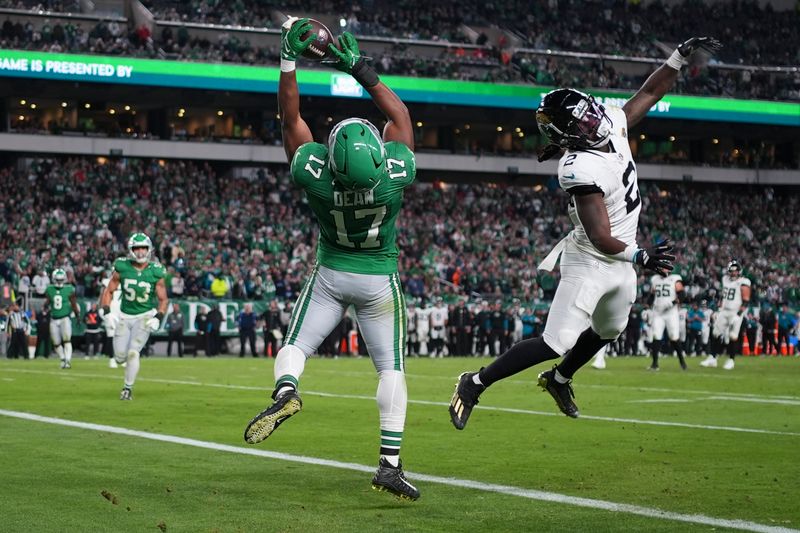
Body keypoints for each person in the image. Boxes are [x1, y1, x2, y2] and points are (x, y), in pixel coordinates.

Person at [448, 36, 720, 428]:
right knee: (555, 341)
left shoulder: (608, 124)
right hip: (592, 258)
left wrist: (677, 57)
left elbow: (650, 90)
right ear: (569, 138)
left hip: (621, 257)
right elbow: (598, 236)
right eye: (583, 124)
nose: (595, 123)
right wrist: (640, 255)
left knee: (610, 327)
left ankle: (559, 379)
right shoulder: (578, 169)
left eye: (589, 115)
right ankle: (474, 382)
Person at [244, 20, 419, 501]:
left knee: (296, 347)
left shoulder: (315, 174)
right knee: (391, 371)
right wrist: (359, 68)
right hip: (380, 279)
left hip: (331, 274)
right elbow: (400, 115)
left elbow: (289, 119)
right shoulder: (395, 175)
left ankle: (284, 391)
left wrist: (287, 60)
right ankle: (389, 464)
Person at [99, 232, 168, 400]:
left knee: (133, 353)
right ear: (131, 250)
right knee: (120, 357)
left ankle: (127, 388)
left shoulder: (156, 271)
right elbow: (109, 291)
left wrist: (158, 317)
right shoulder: (122, 266)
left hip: (144, 316)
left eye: (144, 248)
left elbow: (163, 299)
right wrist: (107, 312)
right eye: (137, 248)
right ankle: (124, 373)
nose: (140, 252)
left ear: (149, 250)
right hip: (124, 316)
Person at [701, 260, 751, 369]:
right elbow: (723, 296)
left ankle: (731, 360)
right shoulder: (725, 280)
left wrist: (738, 315)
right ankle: (713, 358)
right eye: (731, 271)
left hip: (735, 312)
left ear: (739, 271)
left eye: (735, 271)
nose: (733, 273)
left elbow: (746, 300)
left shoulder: (744, 282)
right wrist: (718, 310)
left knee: (733, 336)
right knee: (715, 333)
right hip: (724, 311)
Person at [648, 272, 687, 370]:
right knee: (656, 336)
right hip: (658, 312)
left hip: (671, 312)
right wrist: (648, 305)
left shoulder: (675, 278)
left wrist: (672, 303)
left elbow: (682, 295)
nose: (662, 269)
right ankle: (655, 363)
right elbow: (652, 295)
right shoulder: (655, 279)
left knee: (674, 337)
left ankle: (682, 361)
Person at [45, 268, 80, 369]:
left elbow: (73, 304)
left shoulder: (69, 289)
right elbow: (48, 301)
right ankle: (63, 358)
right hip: (54, 318)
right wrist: (45, 307)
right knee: (56, 343)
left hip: (65, 318)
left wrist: (77, 316)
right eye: (58, 280)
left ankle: (68, 361)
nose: (59, 282)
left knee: (67, 340)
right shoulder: (50, 289)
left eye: (61, 280)